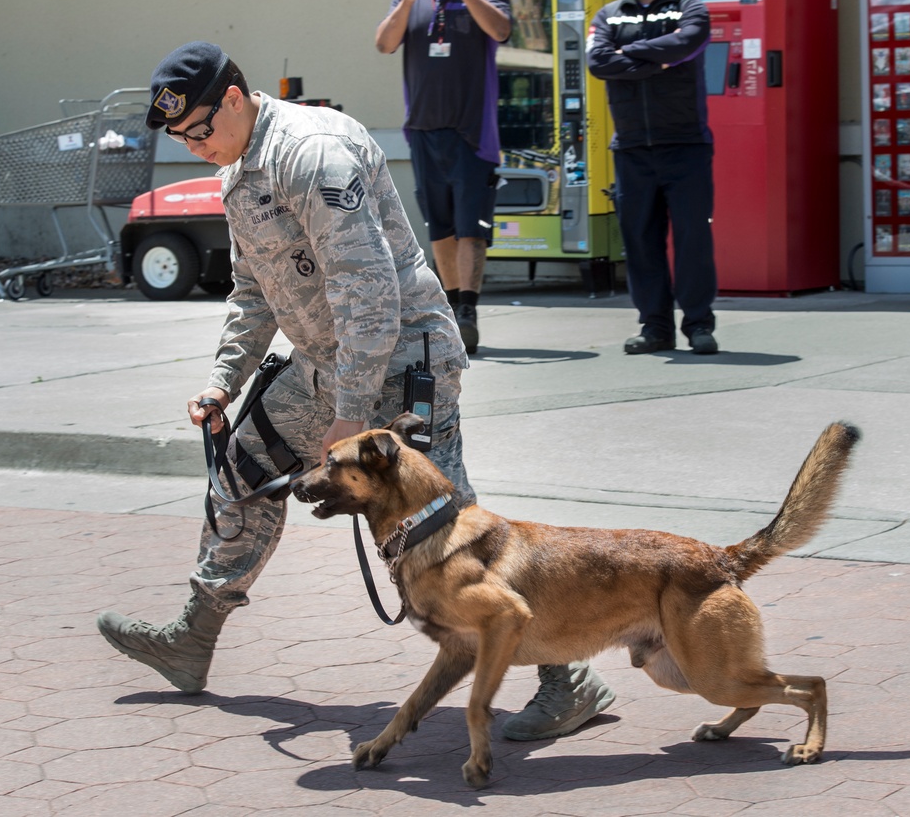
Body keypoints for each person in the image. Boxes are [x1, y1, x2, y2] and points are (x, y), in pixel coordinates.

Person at [96, 41, 612, 743]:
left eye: (199, 131)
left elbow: (368, 291)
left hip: (399, 368)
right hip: (322, 365)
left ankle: (566, 678)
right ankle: (194, 637)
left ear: (236, 99)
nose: (194, 148)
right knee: (239, 474)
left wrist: (348, 416)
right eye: (181, 138)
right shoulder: (239, 172)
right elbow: (253, 290)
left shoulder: (314, 154)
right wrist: (224, 382)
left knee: (444, 541)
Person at [375, 0, 511, 355]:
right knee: (441, 228)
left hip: (472, 134)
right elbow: (384, 43)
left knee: (472, 228)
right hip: (423, 131)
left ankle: (468, 310)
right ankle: (450, 309)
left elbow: (501, 29)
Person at [587, 0, 719, 356]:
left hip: (686, 146)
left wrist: (630, 56)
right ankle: (655, 327)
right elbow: (597, 61)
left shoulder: (689, 7)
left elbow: (689, 41)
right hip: (631, 150)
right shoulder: (609, 15)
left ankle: (698, 325)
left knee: (693, 241)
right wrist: (656, 61)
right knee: (641, 243)